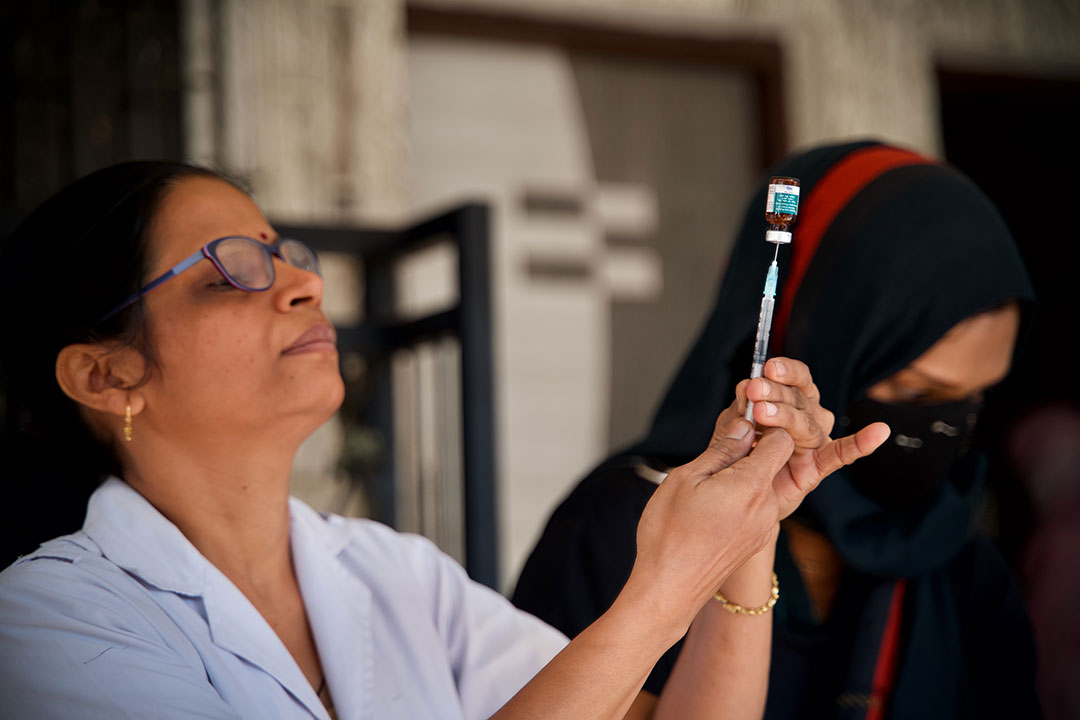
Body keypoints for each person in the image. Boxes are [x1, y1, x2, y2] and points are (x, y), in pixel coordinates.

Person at [0, 161, 886, 720]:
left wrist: (745, 539)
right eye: (235, 266)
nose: (304, 284)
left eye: (288, 251)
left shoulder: (397, 576)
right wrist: (661, 588)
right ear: (104, 375)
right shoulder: (45, 623)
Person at [513, 140, 1043, 719]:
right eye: (915, 390)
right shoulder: (632, 530)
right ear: (819, 338)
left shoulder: (963, 565)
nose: (950, 424)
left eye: (975, 397)